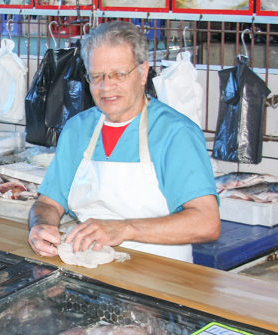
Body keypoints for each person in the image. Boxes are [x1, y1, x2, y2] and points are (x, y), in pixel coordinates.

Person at [28, 21, 220, 263]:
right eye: (97, 76)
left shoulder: (175, 133)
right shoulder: (77, 129)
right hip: (90, 271)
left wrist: (124, 229)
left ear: (142, 73)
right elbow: (48, 202)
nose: (106, 87)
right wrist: (41, 226)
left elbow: (206, 222)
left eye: (118, 74)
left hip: (162, 277)